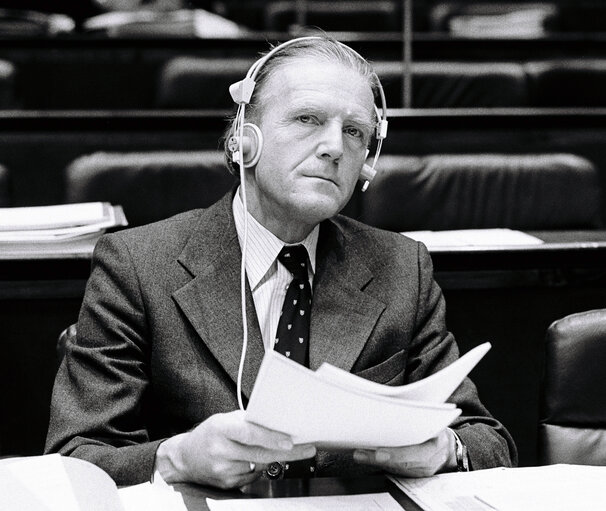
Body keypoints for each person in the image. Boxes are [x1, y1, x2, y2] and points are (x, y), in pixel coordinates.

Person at [45, 36, 517, 489]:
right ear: (243, 138)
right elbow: (75, 456)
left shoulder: (401, 267)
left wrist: (445, 450)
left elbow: (488, 439)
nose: (334, 146)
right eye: (308, 119)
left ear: (368, 161)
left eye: (355, 132)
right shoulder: (137, 265)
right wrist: (176, 457)